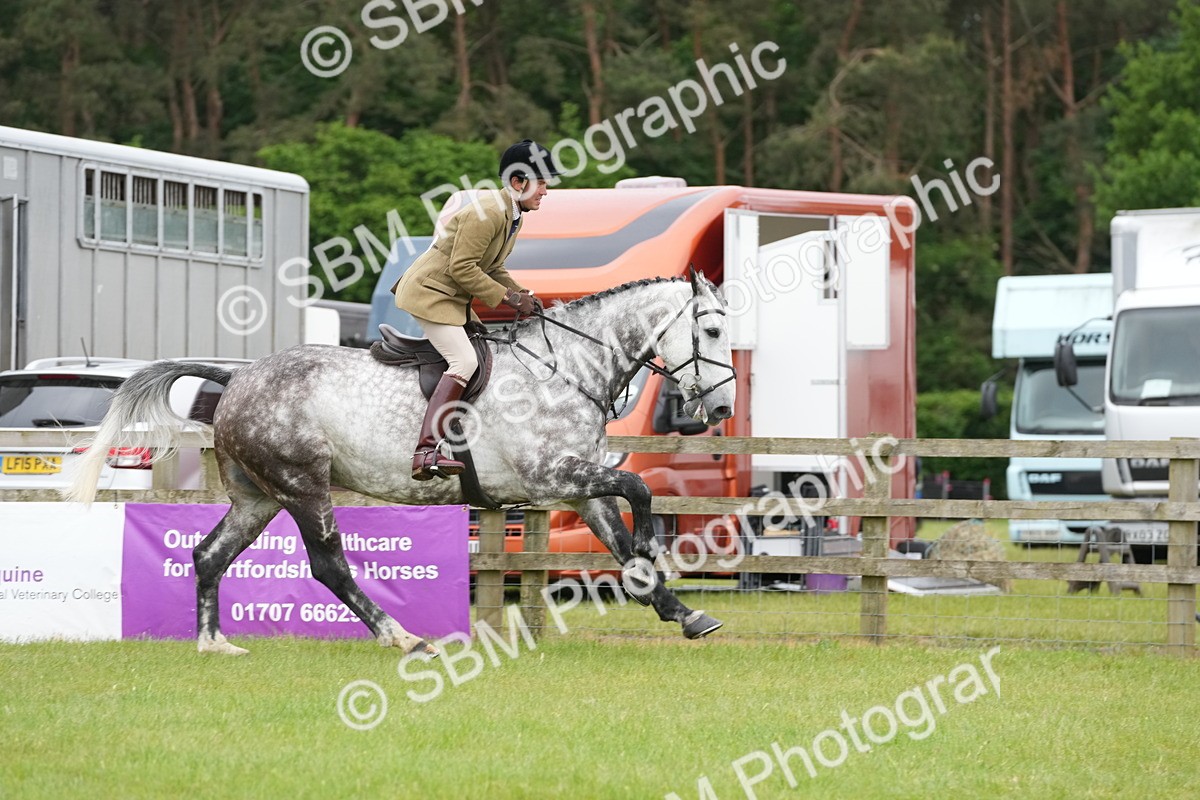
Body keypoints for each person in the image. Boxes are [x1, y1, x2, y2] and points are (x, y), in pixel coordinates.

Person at [391, 139, 558, 480]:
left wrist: (522, 293)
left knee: (486, 353)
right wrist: (510, 300)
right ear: (518, 182)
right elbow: (462, 269)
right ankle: (425, 452)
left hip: (452, 297)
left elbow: (492, 267)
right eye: (541, 182)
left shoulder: (512, 215)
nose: (546, 189)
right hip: (430, 293)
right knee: (464, 361)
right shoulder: (487, 213)